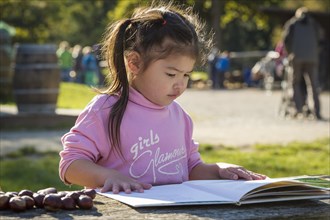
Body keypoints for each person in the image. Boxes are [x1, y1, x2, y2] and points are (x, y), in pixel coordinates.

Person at [59, 3, 266, 194]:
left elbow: (191, 168)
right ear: (134, 63)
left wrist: (219, 170)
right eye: (171, 74)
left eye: (186, 75)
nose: (181, 84)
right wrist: (108, 176)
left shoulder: (180, 116)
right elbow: (70, 165)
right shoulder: (105, 109)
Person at [282, 7, 322, 119]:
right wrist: (314, 52)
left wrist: (290, 53)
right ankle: (316, 111)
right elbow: (321, 39)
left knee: (295, 83)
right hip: (312, 58)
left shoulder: (293, 23)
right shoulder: (314, 24)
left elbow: (285, 40)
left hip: (297, 57)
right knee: (313, 84)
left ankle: (298, 109)